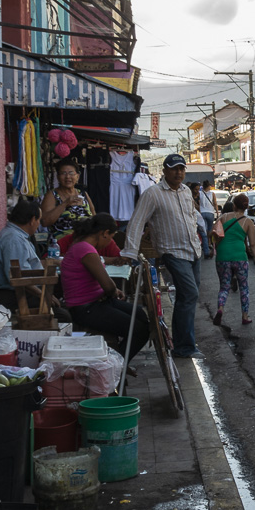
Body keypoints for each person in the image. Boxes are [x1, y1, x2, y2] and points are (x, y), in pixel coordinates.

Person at [122, 153, 205, 358]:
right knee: (190, 293)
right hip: (172, 251)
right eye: (174, 168)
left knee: (187, 297)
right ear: (165, 171)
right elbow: (137, 222)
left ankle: (179, 344)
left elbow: (192, 216)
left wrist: (205, 232)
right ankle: (185, 346)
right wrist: (130, 252)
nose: (179, 172)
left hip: (193, 249)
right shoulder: (153, 193)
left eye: (182, 169)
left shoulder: (186, 191)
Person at [61, 213, 149, 363]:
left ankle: (118, 362)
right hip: (85, 308)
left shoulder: (82, 246)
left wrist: (112, 291)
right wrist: (113, 291)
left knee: (140, 314)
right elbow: (108, 286)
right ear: (104, 233)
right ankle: (116, 365)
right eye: (111, 237)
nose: (110, 242)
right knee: (140, 330)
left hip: (95, 301)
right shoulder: (86, 250)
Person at [0, 199, 44, 311]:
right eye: (38, 220)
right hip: (11, 296)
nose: (38, 224)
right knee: (62, 314)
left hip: (21, 292)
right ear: (32, 220)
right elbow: (19, 278)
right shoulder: (14, 240)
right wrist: (42, 295)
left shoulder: (16, 235)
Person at [212, 194, 255, 326]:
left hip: (222, 256)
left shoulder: (223, 217)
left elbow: (213, 234)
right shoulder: (248, 222)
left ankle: (220, 309)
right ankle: (245, 316)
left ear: (234, 205)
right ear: (246, 207)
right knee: (244, 287)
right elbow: (252, 244)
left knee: (224, 287)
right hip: (240, 257)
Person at [40, 160, 95, 239]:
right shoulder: (52, 195)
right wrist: (65, 204)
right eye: (63, 173)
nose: (68, 177)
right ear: (58, 177)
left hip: (86, 240)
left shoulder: (84, 194)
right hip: (62, 243)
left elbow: (94, 218)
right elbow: (44, 221)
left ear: (77, 176)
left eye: (71, 173)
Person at [198, 179, 216, 253]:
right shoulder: (212, 194)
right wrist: (217, 212)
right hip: (210, 213)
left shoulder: (199, 193)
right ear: (208, 186)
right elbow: (215, 203)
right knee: (210, 228)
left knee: (203, 229)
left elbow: (198, 203)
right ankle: (208, 242)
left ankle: (204, 242)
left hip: (202, 213)